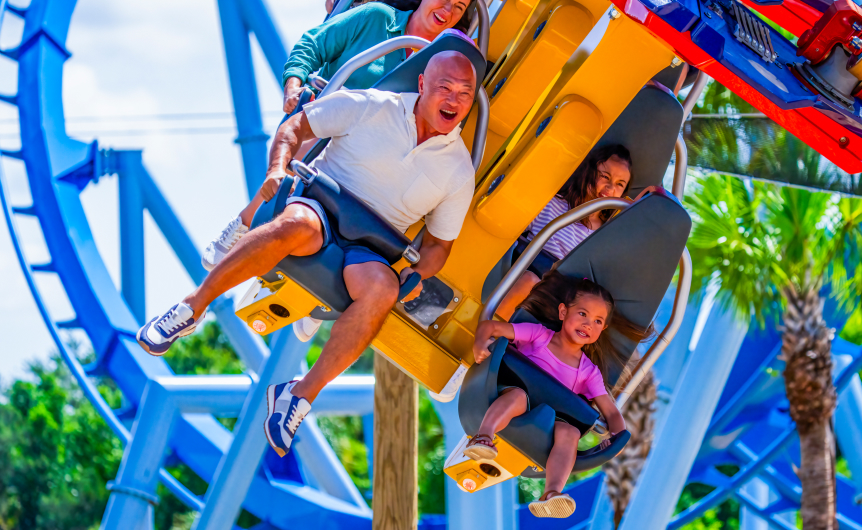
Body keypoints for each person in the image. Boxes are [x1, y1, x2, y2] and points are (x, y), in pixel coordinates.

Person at [136, 51, 478, 457]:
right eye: (445, 88)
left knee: (382, 291)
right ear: (422, 85)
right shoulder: (369, 105)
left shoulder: (457, 170)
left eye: (464, 93)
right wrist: (277, 169)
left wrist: (419, 275)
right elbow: (295, 128)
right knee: (296, 226)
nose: (454, 100)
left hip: (370, 247)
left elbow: (439, 245)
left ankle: (297, 396)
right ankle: (191, 308)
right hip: (321, 208)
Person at [201, 0, 473, 307]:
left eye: (459, 7)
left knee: (403, 188)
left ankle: (322, 289)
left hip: (369, 160)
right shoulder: (376, 18)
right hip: (330, 129)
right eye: (445, 0)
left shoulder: (443, 67)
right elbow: (314, 44)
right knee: (310, 146)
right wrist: (294, 83)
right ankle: (247, 221)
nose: (448, 10)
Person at [466, 274, 642, 518]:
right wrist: (479, 345)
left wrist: (617, 438)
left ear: (603, 329)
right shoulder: (539, 335)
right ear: (563, 312)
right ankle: (483, 436)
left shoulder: (589, 372)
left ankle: (551, 493)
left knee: (570, 432)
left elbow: (610, 411)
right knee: (517, 396)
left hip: (549, 419)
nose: (588, 324)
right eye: (582, 314)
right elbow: (491, 326)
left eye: (598, 321)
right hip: (518, 392)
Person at [494, 144, 648, 321]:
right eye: (605, 176)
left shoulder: (604, 236)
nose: (610, 186)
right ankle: (484, 334)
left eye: (620, 184)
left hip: (560, 298)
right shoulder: (551, 204)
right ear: (589, 172)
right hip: (526, 272)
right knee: (529, 280)